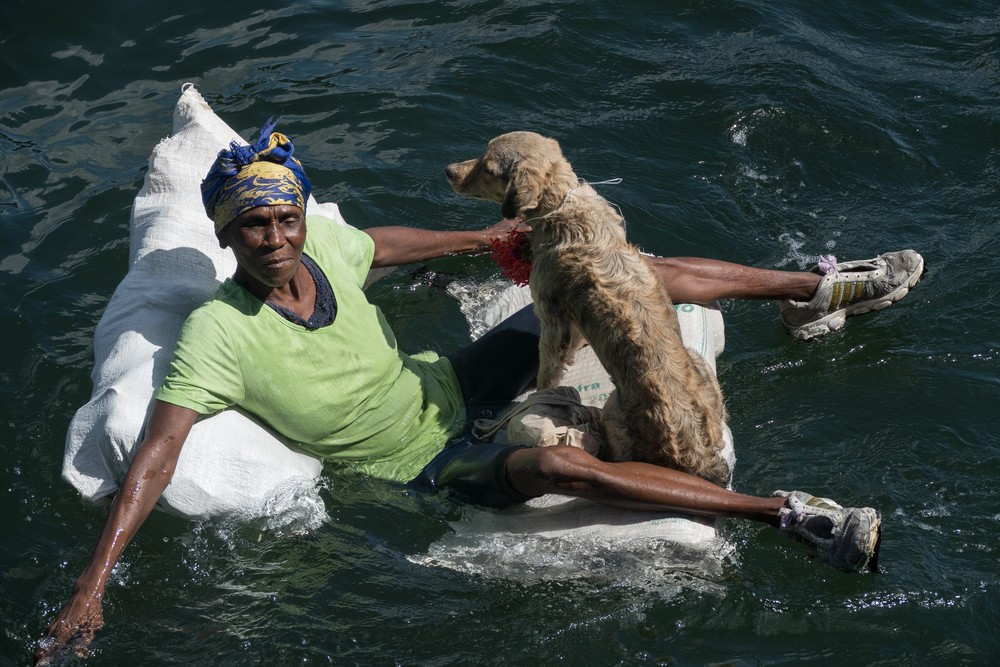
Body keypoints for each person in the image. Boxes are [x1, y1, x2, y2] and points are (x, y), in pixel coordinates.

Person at [36, 121, 923, 663]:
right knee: (542, 463)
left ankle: (812, 289)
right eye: (252, 224)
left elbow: (382, 242)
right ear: (228, 236)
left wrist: (480, 237)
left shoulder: (325, 251)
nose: (273, 235)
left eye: (283, 216)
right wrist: (93, 581)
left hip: (449, 386)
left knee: (612, 268)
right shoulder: (218, 333)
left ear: (301, 216)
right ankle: (788, 513)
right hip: (424, 463)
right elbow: (157, 449)